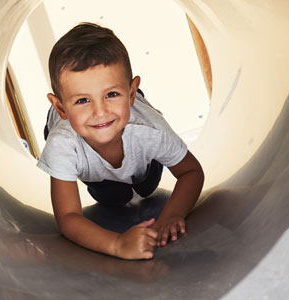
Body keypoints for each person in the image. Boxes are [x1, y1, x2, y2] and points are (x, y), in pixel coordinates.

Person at [37, 23, 204, 260]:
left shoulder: (149, 129)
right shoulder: (62, 143)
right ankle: (110, 183)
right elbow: (67, 217)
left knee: (147, 185)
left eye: (111, 94)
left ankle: (118, 103)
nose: (100, 112)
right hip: (80, 147)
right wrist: (117, 244)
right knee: (112, 198)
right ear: (61, 107)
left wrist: (173, 214)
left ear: (132, 92)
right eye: (83, 100)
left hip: (135, 128)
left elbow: (191, 172)